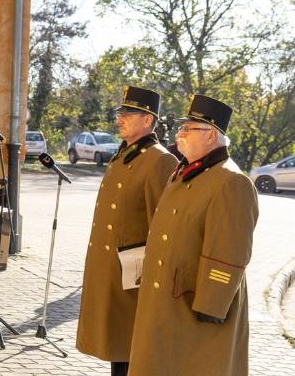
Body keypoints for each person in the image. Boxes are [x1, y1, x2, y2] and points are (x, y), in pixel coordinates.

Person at [128, 95, 259, 376]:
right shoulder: (186, 172)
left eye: (188, 128)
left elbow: (230, 252)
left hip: (195, 307)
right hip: (167, 299)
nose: (179, 134)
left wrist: (210, 306)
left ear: (211, 134)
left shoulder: (231, 182)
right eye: (180, 128)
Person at [75, 86, 178, 376]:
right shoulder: (125, 155)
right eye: (120, 112)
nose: (119, 118)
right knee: (119, 351)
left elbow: (163, 229)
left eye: (128, 114)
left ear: (148, 120)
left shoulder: (160, 160)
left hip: (134, 276)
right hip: (114, 273)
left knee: (131, 352)